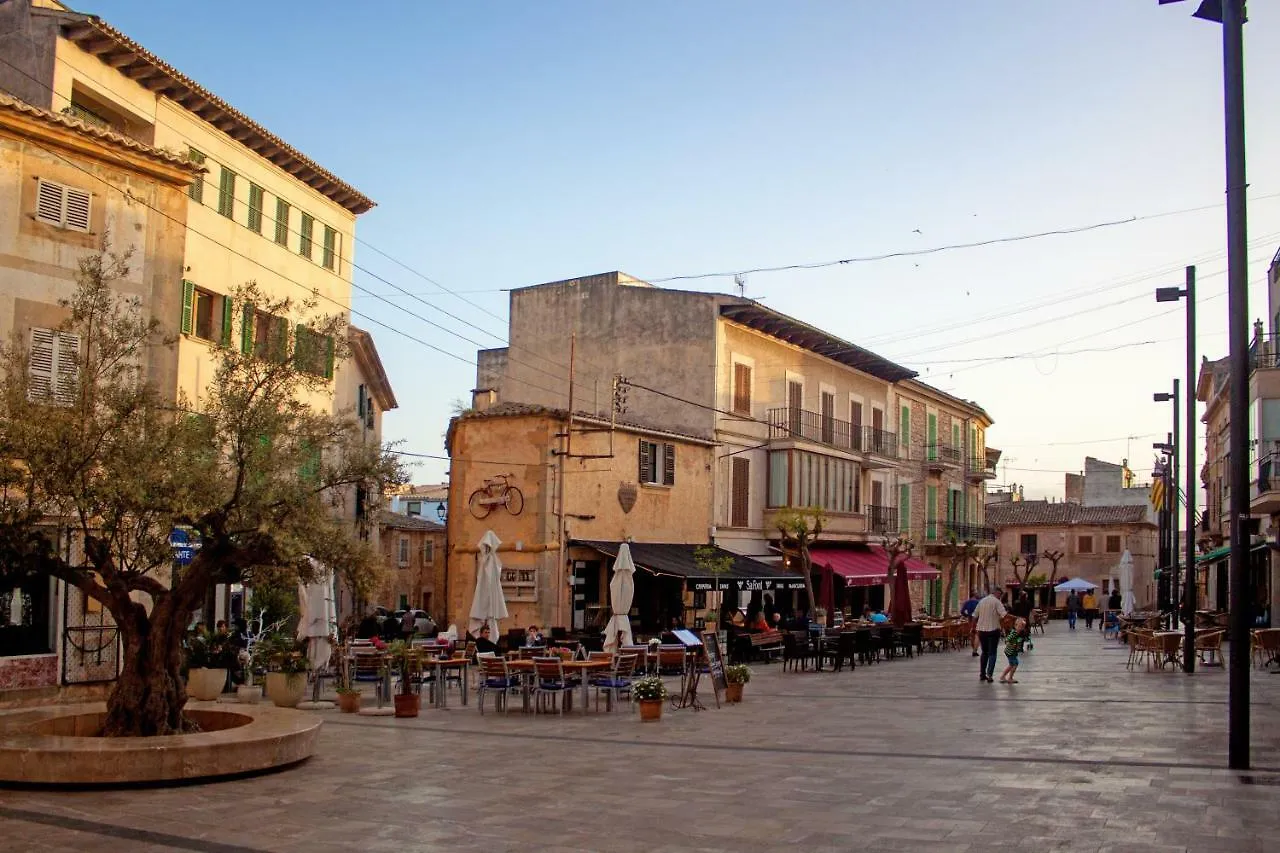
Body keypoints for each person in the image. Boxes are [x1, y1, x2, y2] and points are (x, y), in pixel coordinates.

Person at [974, 588, 1007, 683]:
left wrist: (973, 627)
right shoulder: (997, 602)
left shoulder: (981, 601)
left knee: (984, 652)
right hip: (994, 630)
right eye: (1000, 594)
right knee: (992, 653)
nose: (1000, 597)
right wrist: (1001, 623)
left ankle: (982, 674)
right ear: (997, 593)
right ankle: (989, 675)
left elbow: (975, 615)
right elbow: (1004, 615)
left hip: (982, 631)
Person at [1000, 618, 1027, 684]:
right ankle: (1010, 678)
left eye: (1022, 627)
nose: (1021, 628)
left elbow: (1020, 640)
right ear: (1015, 626)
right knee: (1015, 664)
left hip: (1012, 652)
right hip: (1010, 652)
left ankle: (1003, 677)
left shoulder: (1019, 633)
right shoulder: (1014, 633)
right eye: (1019, 626)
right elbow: (1007, 639)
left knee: (1011, 665)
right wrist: (1010, 643)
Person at [960, 591, 981, 656]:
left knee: (972, 635)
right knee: (977, 635)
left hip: (970, 619)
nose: (978, 594)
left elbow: (962, 611)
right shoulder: (978, 602)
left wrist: (967, 615)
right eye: (976, 593)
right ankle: (975, 650)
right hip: (977, 620)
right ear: (974, 595)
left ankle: (973, 649)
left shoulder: (967, 602)